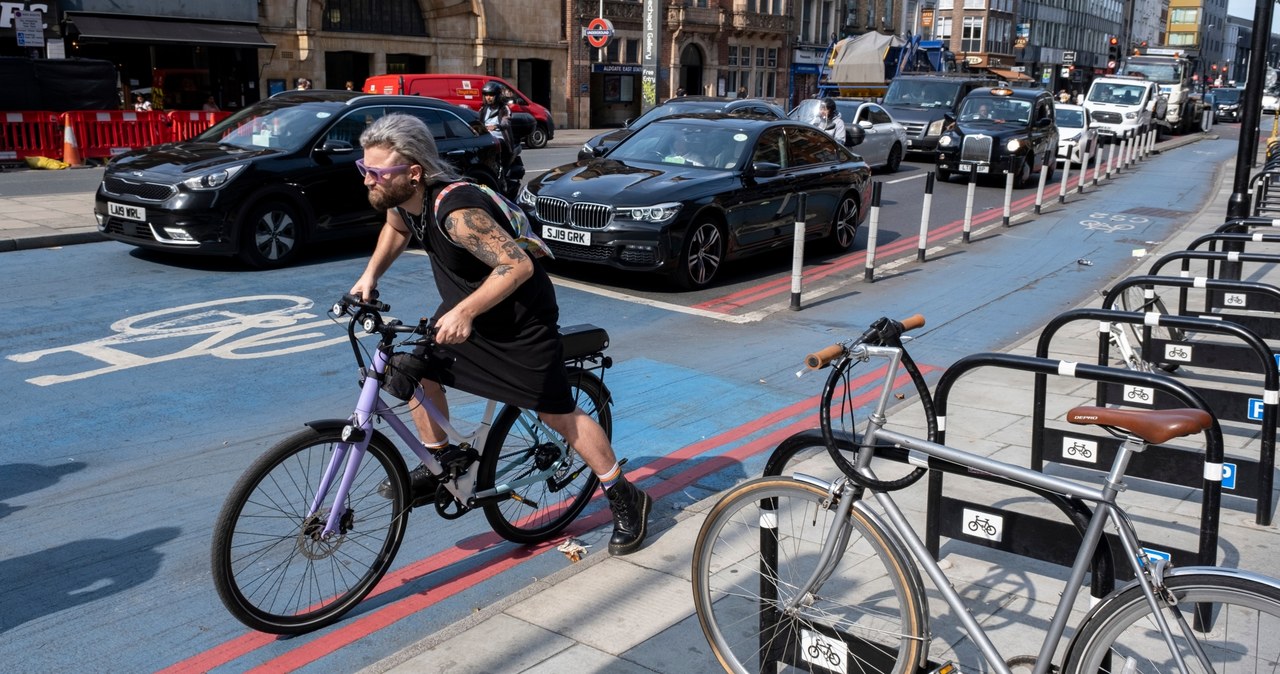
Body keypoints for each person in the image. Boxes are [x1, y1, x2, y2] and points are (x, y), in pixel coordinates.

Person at [349, 114, 652, 556]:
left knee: (556, 414)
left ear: (413, 173)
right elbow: (396, 230)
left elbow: (518, 265)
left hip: (518, 322)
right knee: (408, 369)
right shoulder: (404, 202)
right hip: (467, 313)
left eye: (377, 173)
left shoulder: (457, 213)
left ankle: (625, 496)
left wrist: (466, 311)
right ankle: (443, 461)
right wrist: (369, 276)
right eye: (365, 170)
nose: (368, 181)